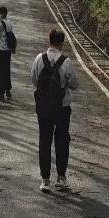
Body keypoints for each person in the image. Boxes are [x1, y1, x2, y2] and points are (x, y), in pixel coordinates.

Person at [30, 28, 78, 193]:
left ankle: (45, 179)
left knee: (44, 139)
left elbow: (34, 79)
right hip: (62, 107)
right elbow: (74, 84)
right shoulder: (66, 62)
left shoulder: (39, 58)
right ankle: (61, 178)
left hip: (43, 107)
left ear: (49, 40)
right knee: (62, 141)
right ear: (62, 43)